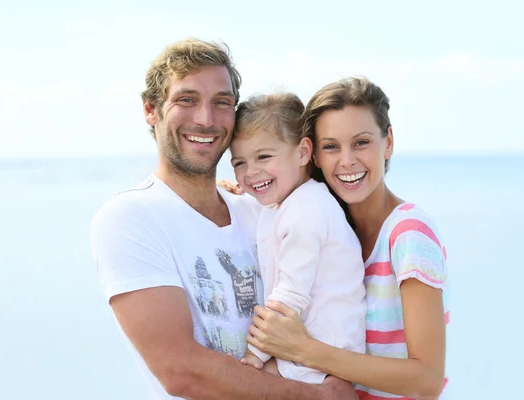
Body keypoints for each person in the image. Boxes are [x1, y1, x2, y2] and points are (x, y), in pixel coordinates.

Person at [90, 38, 358, 400]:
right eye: (186, 100)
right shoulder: (131, 218)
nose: (206, 118)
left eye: (222, 103)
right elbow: (181, 371)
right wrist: (321, 396)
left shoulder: (263, 209)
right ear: (151, 110)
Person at [244, 77, 450, 399]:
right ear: (312, 155)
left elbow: (427, 380)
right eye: (331, 147)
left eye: (361, 142)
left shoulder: (408, 234)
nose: (347, 160)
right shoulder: (329, 224)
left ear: (389, 142)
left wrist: (304, 349)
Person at [229, 93, 366, 383]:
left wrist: (255, 354)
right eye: (239, 163)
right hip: (313, 353)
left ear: (303, 152)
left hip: (320, 359)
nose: (251, 172)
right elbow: (260, 212)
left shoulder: (307, 210)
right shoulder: (291, 202)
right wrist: (222, 190)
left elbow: (290, 294)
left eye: (263, 156)